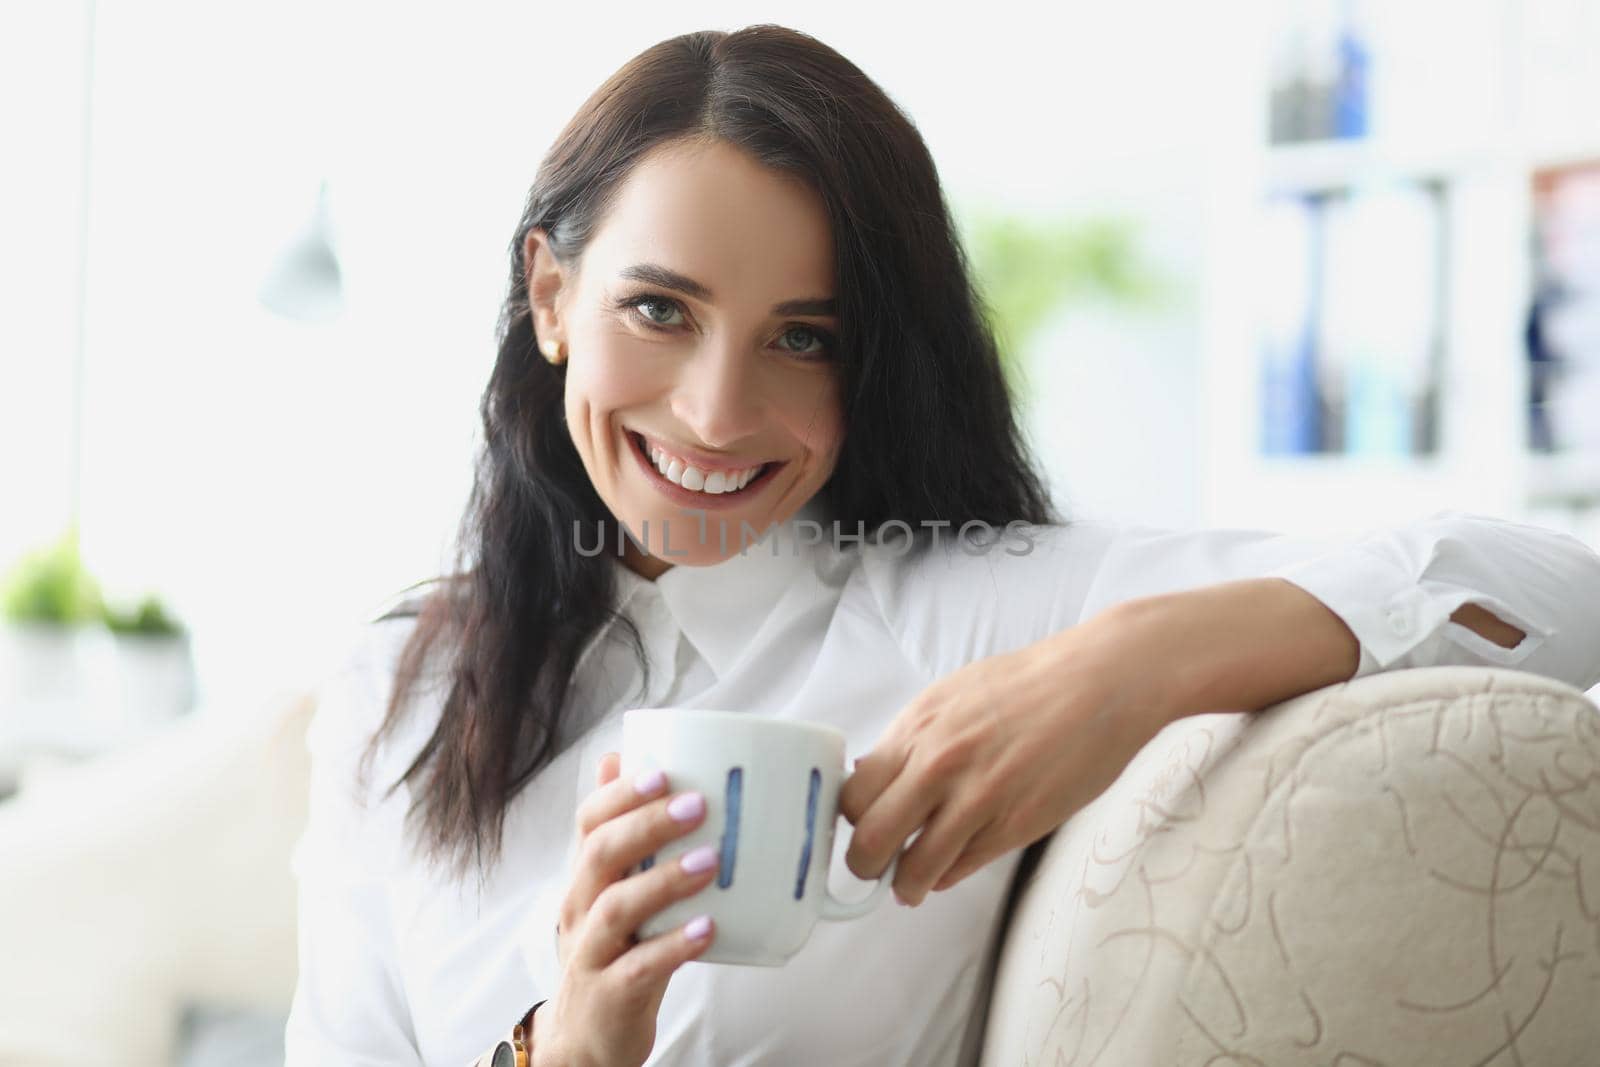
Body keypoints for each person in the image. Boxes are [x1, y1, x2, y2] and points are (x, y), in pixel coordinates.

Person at [282, 23, 1600, 1067]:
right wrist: (558, 1054)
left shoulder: (971, 614)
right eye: (661, 310)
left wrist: (1128, 668)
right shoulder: (404, 685)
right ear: (552, 296)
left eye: (807, 337)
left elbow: (1555, 592)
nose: (717, 410)